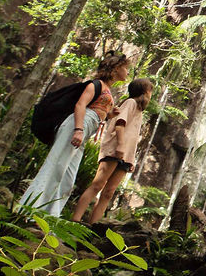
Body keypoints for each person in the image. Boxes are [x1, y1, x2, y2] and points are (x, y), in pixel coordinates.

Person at [16, 55, 129, 218]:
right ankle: (28, 211)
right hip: (78, 125)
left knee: (68, 176)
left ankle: (50, 215)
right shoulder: (95, 84)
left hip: (89, 126)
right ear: (116, 68)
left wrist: (109, 114)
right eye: (125, 68)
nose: (127, 72)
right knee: (55, 166)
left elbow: (97, 110)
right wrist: (78, 129)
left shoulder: (107, 88)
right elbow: (80, 105)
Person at [69, 76, 149, 224]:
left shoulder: (139, 111)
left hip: (126, 156)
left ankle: (93, 227)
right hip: (115, 149)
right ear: (143, 91)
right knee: (98, 185)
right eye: (150, 91)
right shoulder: (130, 103)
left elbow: (132, 137)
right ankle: (75, 220)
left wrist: (130, 159)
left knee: (108, 193)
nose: (151, 95)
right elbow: (120, 124)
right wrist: (120, 145)